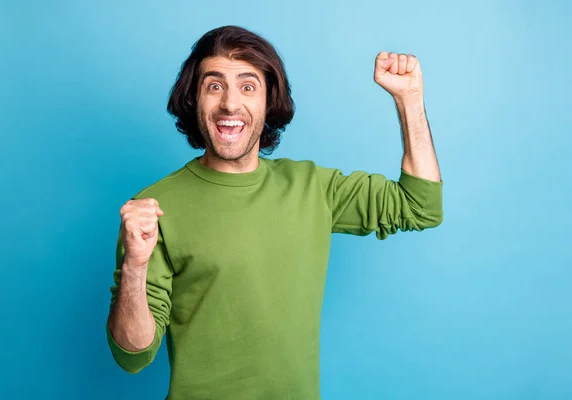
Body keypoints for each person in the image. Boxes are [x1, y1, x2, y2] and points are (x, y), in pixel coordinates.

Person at [106, 25, 443, 399]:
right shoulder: (155, 208)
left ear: (269, 102)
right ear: (193, 99)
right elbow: (132, 355)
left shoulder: (313, 188)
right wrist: (135, 267)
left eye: (248, 87)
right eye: (214, 86)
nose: (230, 104)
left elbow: (420, 205)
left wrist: (409, 99)